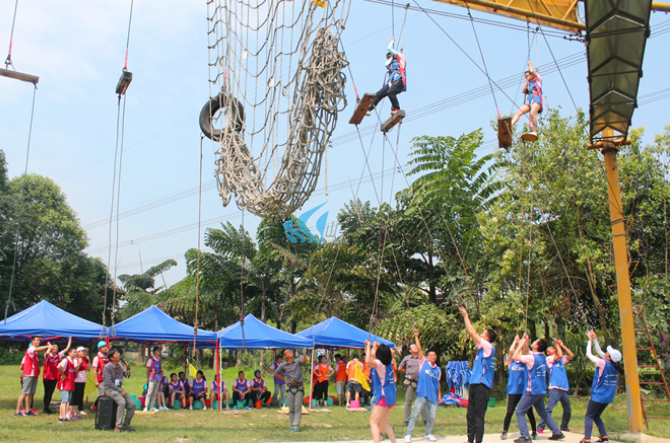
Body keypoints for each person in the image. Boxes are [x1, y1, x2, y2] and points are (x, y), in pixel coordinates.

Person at [512, 332, 565, 443]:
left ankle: (525, 436)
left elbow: (515, 356)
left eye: (535, 341)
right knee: (543, 412)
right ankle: (557, 432)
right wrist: (525, 341)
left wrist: (521, 345)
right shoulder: (542, 357)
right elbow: (527, 352)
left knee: (520, 411)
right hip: (540, 390)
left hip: (532, 391)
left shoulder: (532, 358)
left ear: (536, 346)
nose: (533, 341)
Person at [460, 306, 497, 443]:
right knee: (470, 415)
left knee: (478, 416)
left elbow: (471, 331)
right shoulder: (481, 348)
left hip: (482, 386)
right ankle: (470, 440)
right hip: (475, 385)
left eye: (482, 333)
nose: (479, 335)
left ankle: (478, 441)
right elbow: (473, 334)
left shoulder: (488, 347)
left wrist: (465, 316)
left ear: (487, 337)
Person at [581, 331, 624, 443]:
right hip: (607, 397)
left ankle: (587, 439)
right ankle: (604, 437)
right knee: (596, 415)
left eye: (607, 353)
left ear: (609, 358)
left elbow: (588, 354)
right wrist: (595, 339)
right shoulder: (614, 365)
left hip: (598, 395)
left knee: (589, 416)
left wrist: (589, 341)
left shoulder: (603, 363)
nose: (605, 353)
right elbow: (599, 351)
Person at [404, 329, 441, 443]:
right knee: (415, 415)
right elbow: (419, 350)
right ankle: (408, 434)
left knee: (432, 417)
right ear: (427, 357)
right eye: (431, 355)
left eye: (435, 355)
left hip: (432, 396)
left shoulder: (438, 369)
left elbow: (437, 383)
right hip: (422, 394)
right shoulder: (423, 363)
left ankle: (428, 433)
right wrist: (416, 336)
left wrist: (439, 395)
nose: (433, 357)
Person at [501, 335, 537, 440]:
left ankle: (534, 432)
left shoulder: (525, 363)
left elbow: (527, 352)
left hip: (524, 391)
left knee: (529, 412)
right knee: (510, 411)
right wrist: (515, 341)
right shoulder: (510, 362)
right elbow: (511, 351)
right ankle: (504, 431)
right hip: (512, 391)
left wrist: (524, 342)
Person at [539, 338, 574, 434]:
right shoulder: (549, 359)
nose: (553, 348)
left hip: (563, 388)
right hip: (555, 387)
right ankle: (540, 426)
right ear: (548, 353)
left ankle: (564, 426)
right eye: (551, 349)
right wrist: (557, 345)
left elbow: (571, 355)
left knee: (567, 409)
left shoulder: (561, 360)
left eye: (553, 348)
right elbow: (560, 354)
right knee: (549, 408)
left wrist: (562, 345)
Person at [366, 340, 398, 443]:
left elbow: (367, 360)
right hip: (391, 396)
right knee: (384, 422)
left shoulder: (379, 364)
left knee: (373, 422)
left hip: (384, 396)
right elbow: (391, 351)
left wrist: (368, 347)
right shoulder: (389, 362)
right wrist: (376, 347)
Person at [370, 37, 407, 117]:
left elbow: (389, 48)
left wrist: (392, 41)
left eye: (390, 56)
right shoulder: (392, 64)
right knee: (379, 93)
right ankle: (371, 107)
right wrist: (391, 59)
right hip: (393, 82)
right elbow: (386, 64)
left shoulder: (401, 57)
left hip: (400, 80)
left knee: (391, 92)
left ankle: (396, 108)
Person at [101, 347, 135, 433]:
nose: (119, 355)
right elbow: (109, 383)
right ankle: (118, 426)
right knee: (122, 402)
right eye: (116, 354)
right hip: (110, 389)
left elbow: (127, 376)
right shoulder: (108, 367)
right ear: (112, 358)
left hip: (119, 389)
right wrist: (120, 391)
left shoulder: (119, 366)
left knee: (132, 405)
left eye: (118, 353)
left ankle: (125, 425)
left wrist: (128, 368)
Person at [274, 349, 309, 431]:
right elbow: (275, 373)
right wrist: (284, 379)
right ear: (285, 356)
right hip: (289, 388)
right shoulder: (283, 365)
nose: (290, 352)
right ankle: (291, 424)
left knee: (297, 406)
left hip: (299, 387)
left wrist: (304, 354)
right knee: (291, 407)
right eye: (288, 352)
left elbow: (304, 361)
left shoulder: (297, 361)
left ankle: (296, 425)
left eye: (290, 351)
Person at [15, 336, 51, 417]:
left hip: (34, 374)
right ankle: (17, 411)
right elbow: (40, 349)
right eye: (37, 340)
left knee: (31, 393)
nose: (38, 342)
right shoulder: (31, 349)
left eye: (39, 340)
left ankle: (28, 410)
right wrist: (48, 346)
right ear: (32, 341)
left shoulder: (35, 353)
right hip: (28, 374)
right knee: (24, 393)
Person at [398, 341, 429, 426]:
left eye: (416, 346)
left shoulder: (421, 358)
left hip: (420, 382)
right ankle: (406, 420)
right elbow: (399, 368)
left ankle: (425, 419)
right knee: (408, 401)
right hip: (409, 382)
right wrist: (406, 372)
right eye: (413, 347)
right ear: (410, 350)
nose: (416, 347)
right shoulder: (407, 358)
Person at [511, 61, 542, 137]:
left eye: (528, 76)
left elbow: (532, 71)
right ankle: (509, 127)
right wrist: (527, 81)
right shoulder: (529, 83)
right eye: (526, 77)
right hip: (529, 100)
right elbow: (523, 91)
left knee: (532, 113)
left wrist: (530, 64)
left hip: (536, 99)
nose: (528, 77)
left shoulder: (538, 79)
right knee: (518, 112)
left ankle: (535, 132)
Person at [42, 338, 70, 415]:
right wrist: (49, 347)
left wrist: (70, 339)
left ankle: (47, 407)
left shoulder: (58, 355)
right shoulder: (48, 355)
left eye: (56, 347)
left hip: (55, 377)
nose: (55, 348)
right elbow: (47, 354)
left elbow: (66, 349)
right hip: (47, 377)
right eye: (54, 347)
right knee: (47, 393)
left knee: (50, 393)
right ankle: (45, 408)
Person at [57, 347, 81, 422]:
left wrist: (79, 363)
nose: (76, 353)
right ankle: (63, 417)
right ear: (69, 353)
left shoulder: (73, 361)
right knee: (65, 401)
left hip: (70, 383)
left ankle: (62, 416)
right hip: (65, 383)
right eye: (74, 352)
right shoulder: (65, 360)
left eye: (76, 352)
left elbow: (74, 371)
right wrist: (63, 374)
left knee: (66, 401)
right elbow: (58, 366)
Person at [72, 346, 90, 417]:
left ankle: (80, 409)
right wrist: (79, 363)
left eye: (85, 351)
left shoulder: (84, 359)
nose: (84, 353)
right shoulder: (76, 359)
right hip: (77, 380)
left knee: (81, 395)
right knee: (75, 396)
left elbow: (88, 368)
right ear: (78, 353)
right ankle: (73, 410)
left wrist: (88, 361)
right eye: (83, 351)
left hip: (83, 380)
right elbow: (75, 370)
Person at [144, 346, 163, 412]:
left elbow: (160, 369)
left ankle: (152, 406)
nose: (159, 352)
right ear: (154, 352)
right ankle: (146, 406)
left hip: (158, 376)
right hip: (152, 376)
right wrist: (147, 377)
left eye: (159, 350)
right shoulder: (151, 360)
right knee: (149, 392)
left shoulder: (159, 360)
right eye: (158, 351)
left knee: (155, 392)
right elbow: (148, 369)